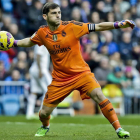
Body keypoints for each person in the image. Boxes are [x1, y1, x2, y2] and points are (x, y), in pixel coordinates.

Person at [7, 2, 135, 138]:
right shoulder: (42, 33)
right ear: (45, 16)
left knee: (99, 95)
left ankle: (119, 129)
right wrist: (13, 43)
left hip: (81, 73)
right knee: (43, 113)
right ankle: (45, 126)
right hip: (60, 79)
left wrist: (118, 24)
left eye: (59, 12)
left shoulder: (72, 26)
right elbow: (29, 41)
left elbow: (97, 26)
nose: (58, 15)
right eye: (54, 13)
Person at [26, 44, 52, 119]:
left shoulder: (40, 43)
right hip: (41, 70)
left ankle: (29, 113)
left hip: (34, 69)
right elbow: (38, 55)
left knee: (34, 92)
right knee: (49, 90)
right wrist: (40, 69)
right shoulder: (42, 44)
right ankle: (43, 112)